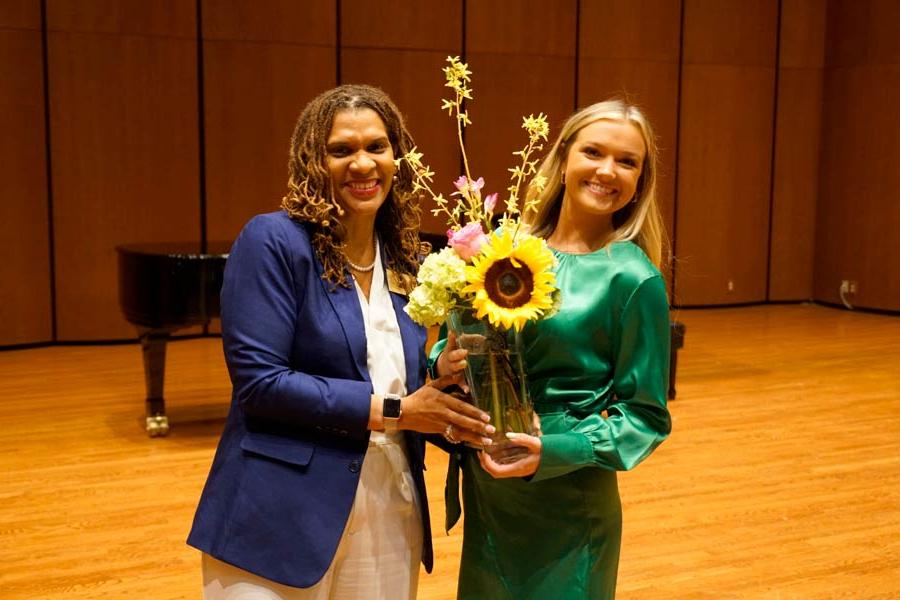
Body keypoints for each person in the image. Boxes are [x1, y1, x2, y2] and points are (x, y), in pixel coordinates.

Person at [187, 84, 493, 600]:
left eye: (377, 147)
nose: (363, 164)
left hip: (389, 500)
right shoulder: (273, 241)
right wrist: (396, 409)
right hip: (280, 512)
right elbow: (262, 385)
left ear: (398, 157)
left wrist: (455, 406)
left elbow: (403, 384)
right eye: (341, 150)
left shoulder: (408, 260)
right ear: (312, 159)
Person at [432, 99, 673, 599]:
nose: (608, 171)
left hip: (568, 497)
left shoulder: (632, 278)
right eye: (594, 152)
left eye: (627, 162)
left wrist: (557, 450)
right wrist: (444, 360)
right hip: (492, 490)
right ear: (564, 159)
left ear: (639, 181)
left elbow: (646, 417)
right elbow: (451, 342)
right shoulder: (506, 248)